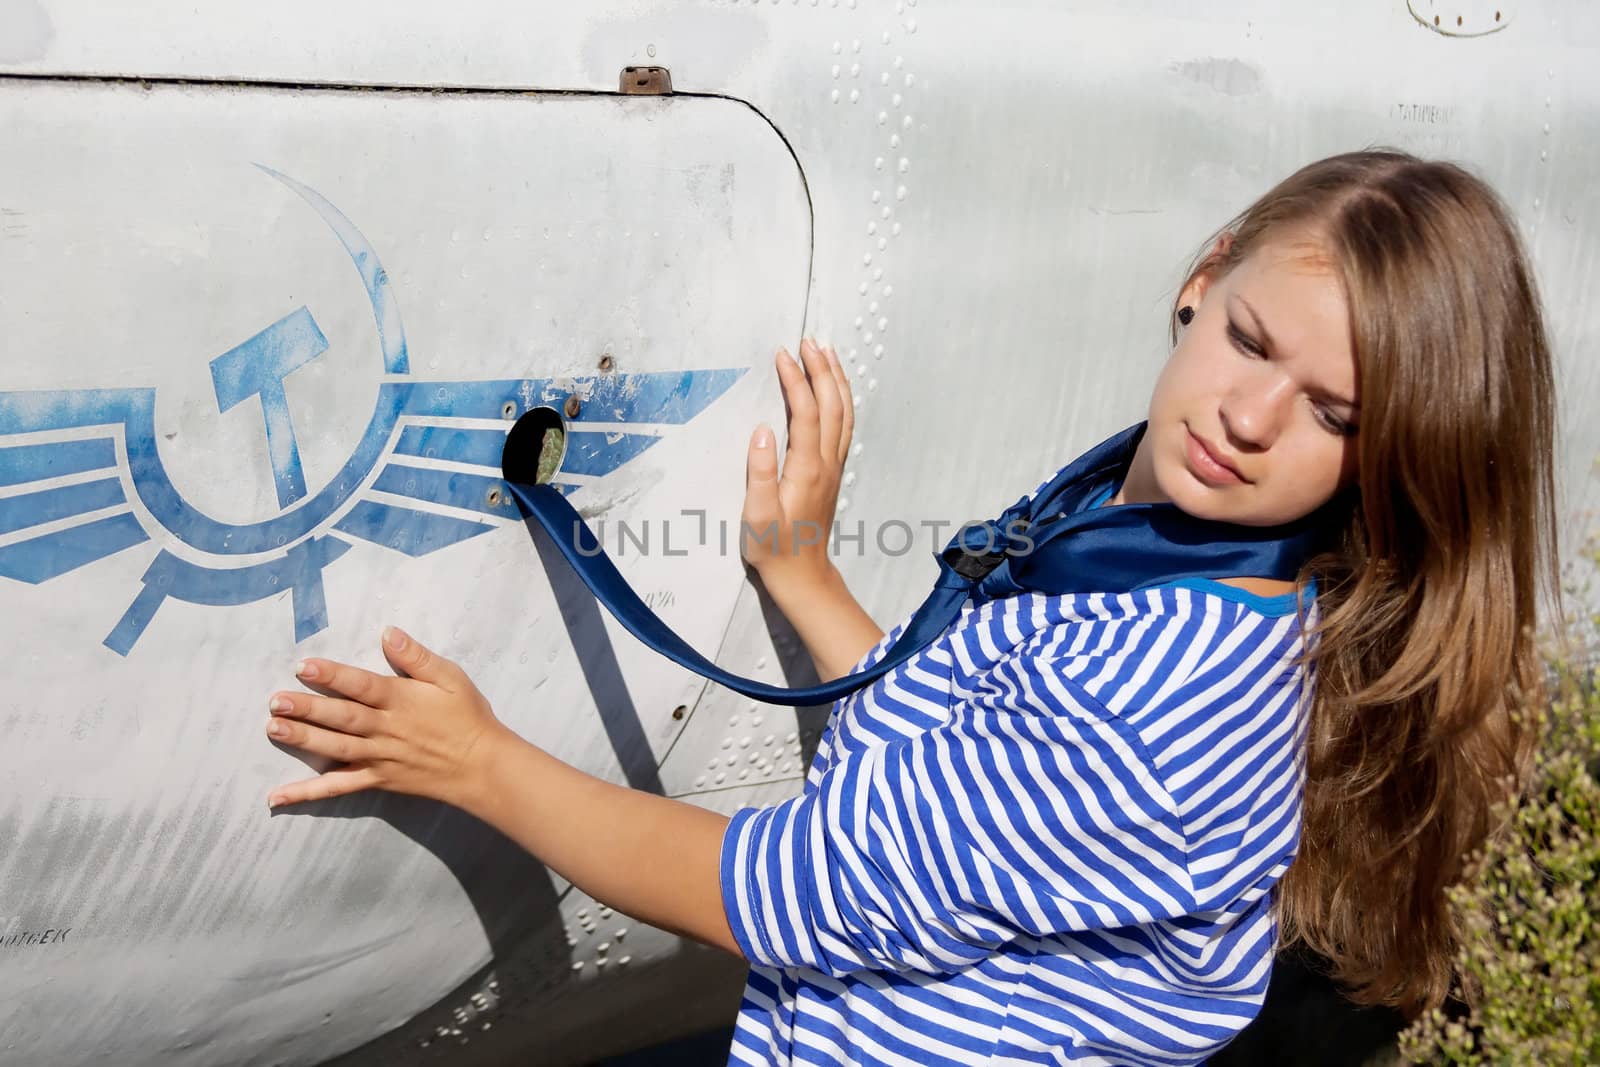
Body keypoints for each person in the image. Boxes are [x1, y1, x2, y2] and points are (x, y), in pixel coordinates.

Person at [261, 148, 1559, 1064]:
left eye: (1335, 413)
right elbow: (967, 766)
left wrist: (478, 762)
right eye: (1254, 342)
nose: (1248, 416)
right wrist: (806, 576)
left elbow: (785, 898)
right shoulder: (1164, 525)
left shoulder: (1164, 686)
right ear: (1207, 277)